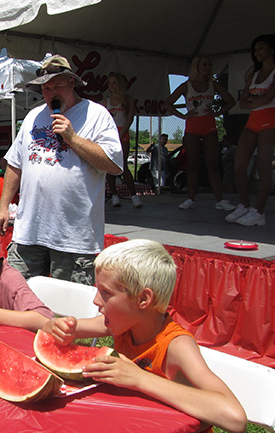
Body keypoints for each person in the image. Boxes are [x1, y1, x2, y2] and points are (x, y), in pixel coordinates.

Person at [42, 239, 247, 433]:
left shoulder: (176, 345)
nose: (96, 300)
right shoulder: (121, 326)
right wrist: (64, 327)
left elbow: (235, 418)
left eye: (106, 292)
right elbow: (68, 328)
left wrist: (139, 379)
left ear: (143, 299)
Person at [0, 54, 123, 285]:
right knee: (16, 296)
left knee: (69, 310)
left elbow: (113, 164)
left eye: (57, 86)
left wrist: (72, 137)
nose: (51, 93)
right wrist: (3, 206)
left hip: (73, 238)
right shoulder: (33, 117)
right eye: (46, 88)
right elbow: (15, 164)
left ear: (72, 83)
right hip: (29, 232)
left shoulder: (96, 115)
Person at [165, 54, 236, 211]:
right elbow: (168, 103)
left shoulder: (214, 84)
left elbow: (231, 101)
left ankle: (220, 200)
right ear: (197, 66)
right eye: (204, 64)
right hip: (192, 127)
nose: (208, 67)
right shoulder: (187, 85)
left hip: (209, 126)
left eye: (209, 64)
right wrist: (183, 115)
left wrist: (217, 113)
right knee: (192, 164)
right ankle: (190, 198)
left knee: (213, 164)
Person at [226, 34, 275, 226]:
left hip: (270, 121)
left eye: (260, 48)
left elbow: (267, 99)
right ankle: (244, 205)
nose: (257, 53)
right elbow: (242, 102)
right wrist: (257, 100)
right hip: (252, 121)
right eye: (255, 50)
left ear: (271, 49)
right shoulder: (254, 74)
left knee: (263, 167)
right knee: (239, 165)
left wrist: (254, 100)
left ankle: (259, 211)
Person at [103, 72, 142, 208]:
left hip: (122, 133)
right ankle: (114, 195)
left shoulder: (127, 100)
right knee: (109, 165)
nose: (111, 85)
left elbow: (130, 119)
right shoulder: (105, 101)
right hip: (109, 134)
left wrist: (121, 133)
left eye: (114, 82)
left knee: (123, 165)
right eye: (109, 83)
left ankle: (134, 196)